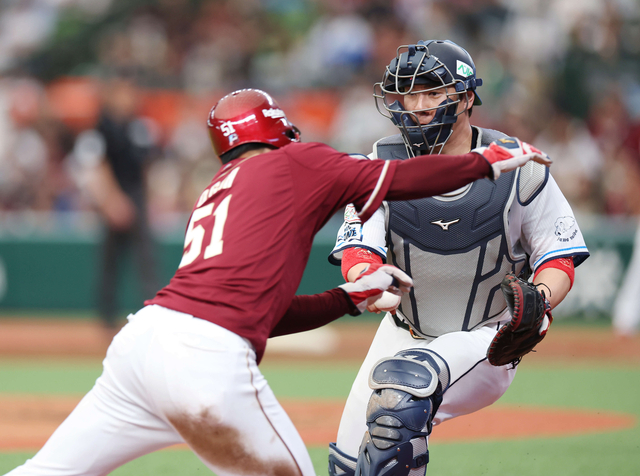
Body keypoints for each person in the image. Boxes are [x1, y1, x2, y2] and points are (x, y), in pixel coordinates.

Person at [4, 88, 549, 476]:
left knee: (49, 470)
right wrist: (486, 163)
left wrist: (345, 298)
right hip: (204, 358)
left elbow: (262, 314)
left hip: (143, 344)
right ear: (277, 129)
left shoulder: (218, 186)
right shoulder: (295, 163)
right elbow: (399, 178)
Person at [326, 40, 590, 476]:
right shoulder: (380, 164)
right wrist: (368, 277)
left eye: (432, 91)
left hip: (486, 337)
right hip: (404, 333)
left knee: (400, 399)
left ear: (467, 97)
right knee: (353, 467)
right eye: (409, 93)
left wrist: (539, 298)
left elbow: (557, 257)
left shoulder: (517, 163)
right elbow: (358, 249)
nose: (418, 105)